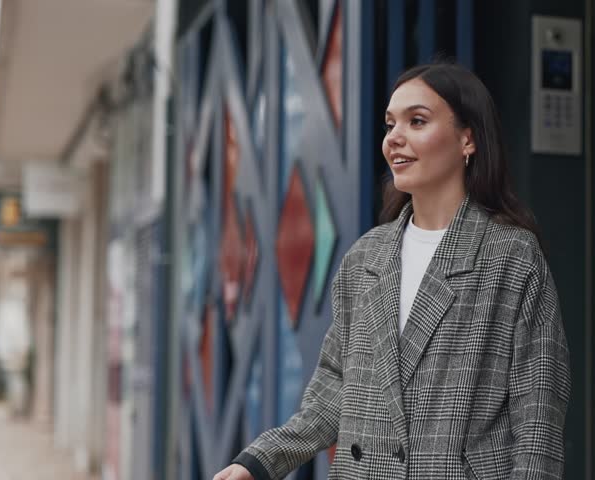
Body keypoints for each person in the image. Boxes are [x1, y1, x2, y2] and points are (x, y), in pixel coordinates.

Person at [214, 62, 571, 480]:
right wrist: (258, 461)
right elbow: (334, 389)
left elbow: (538, 420)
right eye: (390, 124)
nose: (394, 138)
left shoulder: (510, 257)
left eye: (416, 121)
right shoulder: (366, 257)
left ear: (467, 138)